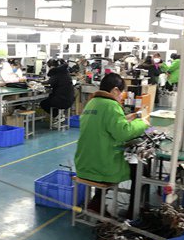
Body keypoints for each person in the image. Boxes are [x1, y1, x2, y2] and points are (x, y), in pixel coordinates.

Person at [74, 73, 149, 212]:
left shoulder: (92, 103)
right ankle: (133, 212)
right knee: (141, 170)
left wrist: (128, 118)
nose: (121, 97)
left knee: (110, 159)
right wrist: (142, 123)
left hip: (84, 163)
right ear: (115, 90)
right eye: (121, 93)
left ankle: (97, 202)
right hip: (102, 167)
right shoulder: (111, 105)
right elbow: (123, 133)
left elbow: (105, 123)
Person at [40, 59, 75, 124]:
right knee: (49, 100)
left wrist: (41, 82)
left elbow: (50, 83)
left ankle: (58, 116)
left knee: (43, 103)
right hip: (69, 99)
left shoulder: (56, 73)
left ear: (51, 66)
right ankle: (60, 115)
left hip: (62, 100)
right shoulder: (65, 72)